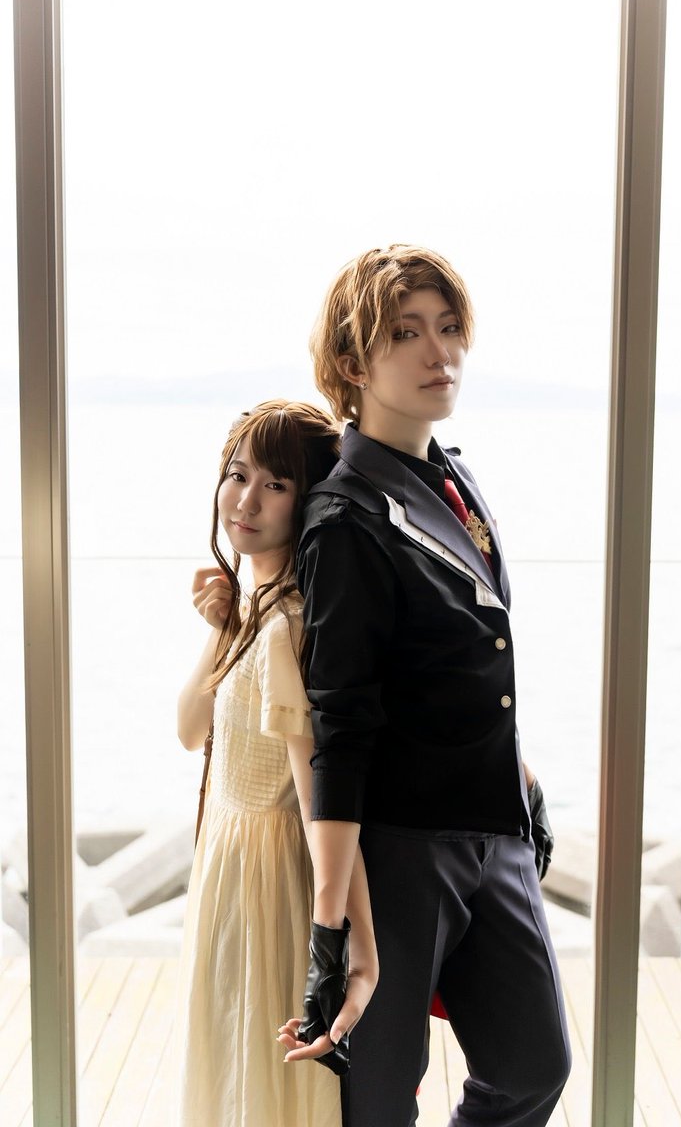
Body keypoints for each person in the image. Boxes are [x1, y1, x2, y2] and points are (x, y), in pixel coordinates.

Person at [278, 246, 572, 1126]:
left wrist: (520, 776)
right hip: (401, 849)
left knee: (534, 1067)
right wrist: (331, 928)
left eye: (448, 328)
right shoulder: (345, 518)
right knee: (379, 1094)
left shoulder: (455, 477)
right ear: (351, 364)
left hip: (496, 828)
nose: (439, 352)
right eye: (406, 334)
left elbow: (469, 654)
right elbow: (341, 726)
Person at [173, 399, 377, 1127]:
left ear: (308, 499)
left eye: (275, 484)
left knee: (260, 1086)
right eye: (237, 476)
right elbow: (190, 730)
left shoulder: (287, 624)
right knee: (233, 1076)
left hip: (271, 884)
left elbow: (323, 797)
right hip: (229, 869)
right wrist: (222, 627)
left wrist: (352, 948)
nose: (246, 501)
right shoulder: (256, 609)